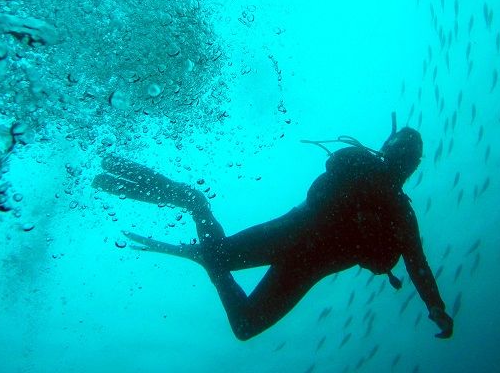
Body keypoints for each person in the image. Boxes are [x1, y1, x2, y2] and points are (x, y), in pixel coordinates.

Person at [92, 115, 454, 341]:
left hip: (305, 265)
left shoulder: (397, 209)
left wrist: (436, 307)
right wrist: (436, 308)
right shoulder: (375, 184)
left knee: (244, 326)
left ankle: (207, 251)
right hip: (292, 238)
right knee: (227, 276)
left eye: (414, 156)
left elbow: (417, 264)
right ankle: (194, 204)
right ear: (394, 154)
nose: (410, 160)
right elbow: (416, 265)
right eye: (408, 153)